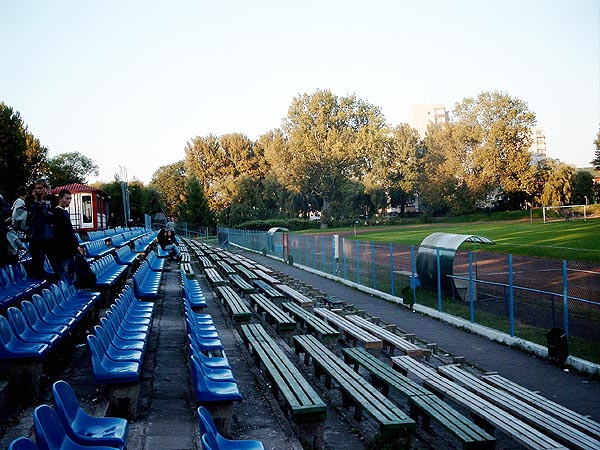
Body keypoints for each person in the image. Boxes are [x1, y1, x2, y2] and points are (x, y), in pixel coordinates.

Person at [25, 179, 58, 278]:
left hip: (48, 236)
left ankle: (58, 280)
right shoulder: (30, 200)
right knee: (37, 261)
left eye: (40, 188)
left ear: (46, 188)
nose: (38, 191)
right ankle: (40, 279)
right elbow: (30, 217)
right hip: (35, 235)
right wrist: (35, 202)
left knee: (53, 260)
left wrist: (43, 203)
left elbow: (51, 217)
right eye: (36, 188)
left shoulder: (53, 199)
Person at [49, 189, 82, 280]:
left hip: (68, 249)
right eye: (67, 198)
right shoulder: (58, 212)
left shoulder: (64, 212)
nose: (69, 201)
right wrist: (75, 245)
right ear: (60, 199)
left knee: (69, 272)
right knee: (65, 273)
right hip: (62, 250)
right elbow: (65, 232)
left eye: (70, 199)